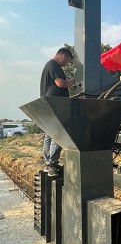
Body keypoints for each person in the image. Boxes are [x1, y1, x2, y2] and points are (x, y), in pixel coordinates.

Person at [40, 47, 75, 176]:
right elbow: (61, 84)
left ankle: (48, 163)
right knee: (58, 134)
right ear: (63, 56)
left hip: (48, 104)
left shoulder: (48, 65)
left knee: (50, 134)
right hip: (55, 104)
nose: (66, 65)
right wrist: (73, 80)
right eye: (68, 61)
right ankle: (53, 164)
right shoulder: (54, 65)